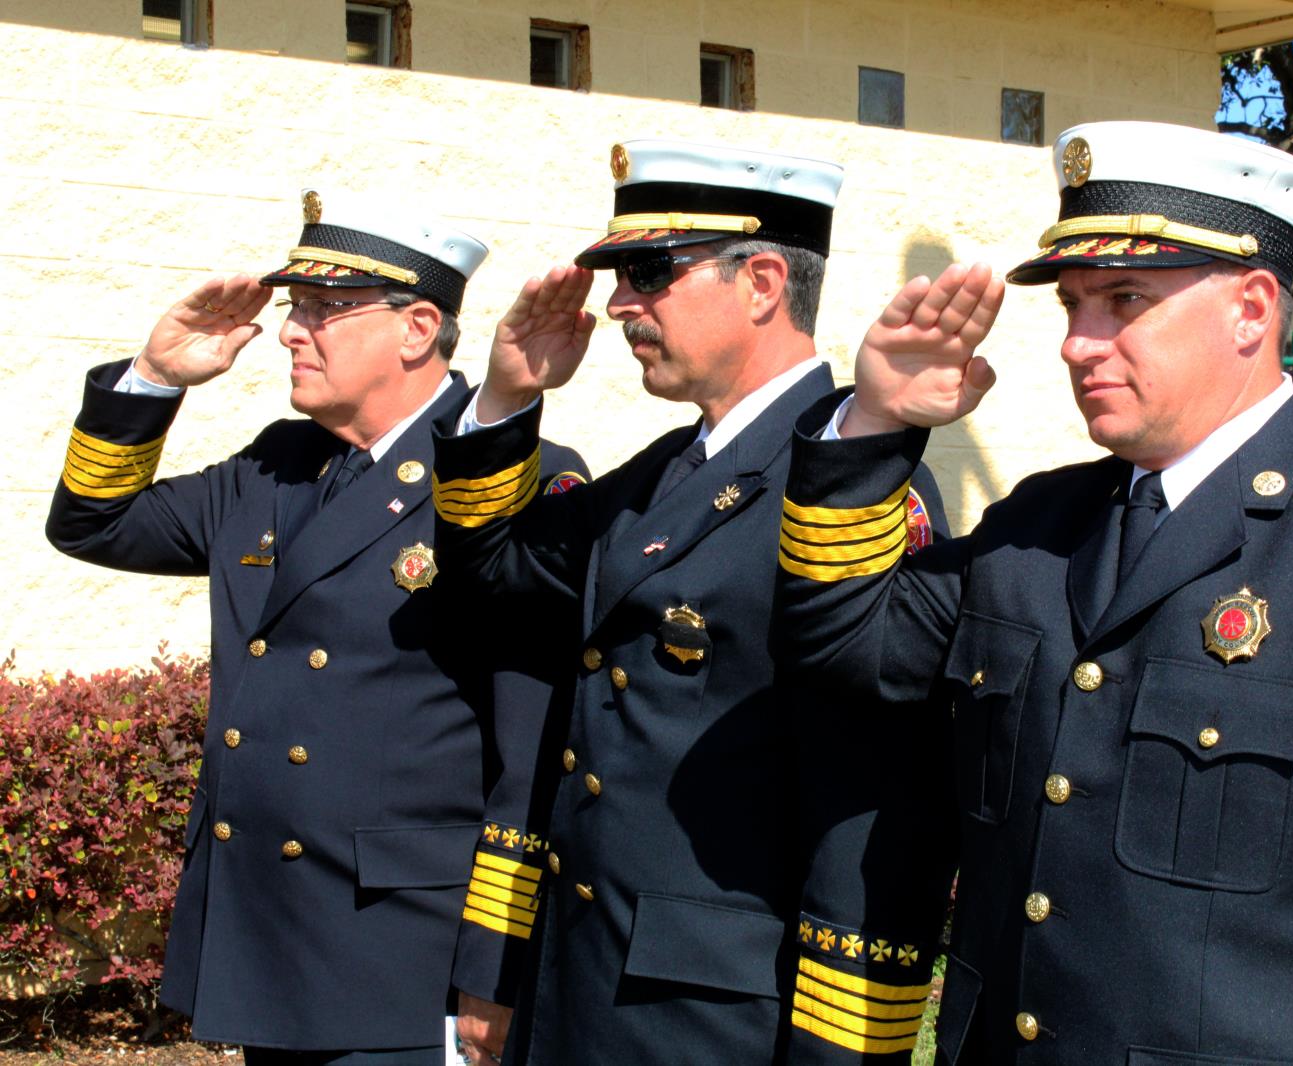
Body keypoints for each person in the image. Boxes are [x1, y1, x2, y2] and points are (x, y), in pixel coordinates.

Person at [772, 121, 1293, 1064]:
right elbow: (842, 645)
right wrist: (877, 422)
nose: (1076, 344)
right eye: (1071, 306)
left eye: (1124, 300)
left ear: (1253, 309)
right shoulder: (1037, 528)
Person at [430, 140, 957, 1064]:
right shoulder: (667, 470)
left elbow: (875, 804)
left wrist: (843, 1051)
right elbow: (493, 580)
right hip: (588, 984)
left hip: (722, 1018)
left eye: (647, 273)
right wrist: (508, 395)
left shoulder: (859, 487)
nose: (620, 303)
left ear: (760, 282)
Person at [45, 190, 587, 1064]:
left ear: (416, 329)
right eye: (296, 307)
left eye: (326, 310)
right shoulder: (279, 465)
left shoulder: (512, 479)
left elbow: (528, 752)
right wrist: (153, 377)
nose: (293, 331)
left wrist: (496, 968)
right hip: (269, 933)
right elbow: (94, 523)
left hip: (402, 952)